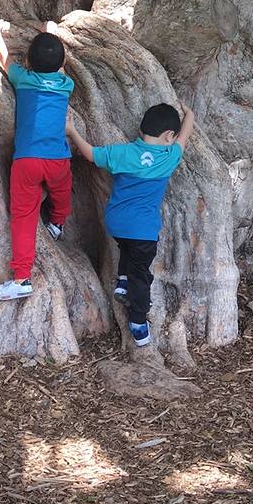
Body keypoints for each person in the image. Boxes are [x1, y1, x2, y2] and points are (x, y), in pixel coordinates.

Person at [67, 101, 194, 346]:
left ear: (141, 131)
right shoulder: (168, 158)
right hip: (143, 230)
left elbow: (91, 154)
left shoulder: (123, 152)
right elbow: (185, 136)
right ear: (169, 136)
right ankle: (138, 323)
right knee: (141, 275)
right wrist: (189, 114)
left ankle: (123, 281)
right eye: (173, 136)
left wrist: (73, 132)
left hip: (116, 223)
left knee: (126, 247)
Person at [0, 19, 74, 301]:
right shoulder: (65, 84)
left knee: (23, 217)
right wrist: (50, 32)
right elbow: (57, 65)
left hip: (26, 161)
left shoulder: (24, 79)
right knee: (62, 191)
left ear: (30, 64)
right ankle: (58, 222)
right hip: (58, 158)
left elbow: (5, 57)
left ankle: (22, 278)